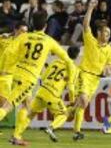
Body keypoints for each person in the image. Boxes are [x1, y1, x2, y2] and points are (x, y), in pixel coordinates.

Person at [0, 12, 76, 146]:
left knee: (27, 104)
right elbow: (68, 61)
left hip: (16, 73)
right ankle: (16, 136)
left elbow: (8, 52)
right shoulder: (49, 41)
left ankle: (16, 136)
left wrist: (5, 68)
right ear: (45, 26)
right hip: (28, 78)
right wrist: (70, 84)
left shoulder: (24, 37)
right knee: (7, 106)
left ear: (31, 24)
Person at [10, 46, 80, 144]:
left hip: (42, 91)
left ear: (66, 52)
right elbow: (71, 86)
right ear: (77, 56)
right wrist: (72, 100)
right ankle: (51, 128)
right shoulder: (74, 68)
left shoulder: (55, 62)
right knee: (63, 114)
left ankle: (16, 135)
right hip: (53, 94)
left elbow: (43, 77)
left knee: (30, 114)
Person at [72, 0, 111, 141]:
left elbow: (109, 64)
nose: (108, 36)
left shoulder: (108, 48)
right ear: (99, 33)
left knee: (81, 105)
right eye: (106, 33)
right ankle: (75, 129)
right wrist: (90, 8)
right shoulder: (90, 40)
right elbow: (85, 25)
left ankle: (74, 128)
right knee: (82, 101)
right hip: (84, 74)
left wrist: (107, 70)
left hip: (95, 79)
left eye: (109, 34)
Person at [0, 21, 28, 136]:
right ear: (15, 30)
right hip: (3, 76)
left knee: (5, 104)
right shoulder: (5, 40)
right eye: (22, 30)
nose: (24, 33)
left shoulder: (25, 45)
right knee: (5, 104)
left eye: (26, 32)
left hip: (10, 77)